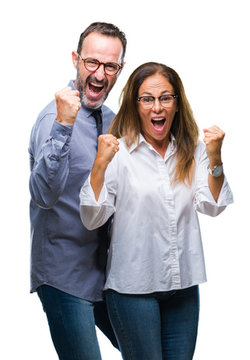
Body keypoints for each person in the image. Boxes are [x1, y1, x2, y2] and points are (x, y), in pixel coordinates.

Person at [79, 62, 233, 360]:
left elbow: (213, 206)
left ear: (177, 104)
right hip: (132, 291)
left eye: (165, 98)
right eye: (147, 99)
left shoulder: (194, 151)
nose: (157, 107)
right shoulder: (118, 153)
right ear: (135, 106)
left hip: (183, 289)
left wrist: (215, 158)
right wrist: (99, 165)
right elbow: (92, 217)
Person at [28, 21, 125, 359]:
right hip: (63, 275)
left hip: (108, 275)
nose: (100, 74)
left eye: (110, 65)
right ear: (76, 60)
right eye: (92, 63)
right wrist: (64, 125)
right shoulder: (52, 119)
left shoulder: (115, 121)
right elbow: (42, 194)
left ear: (119, 69)